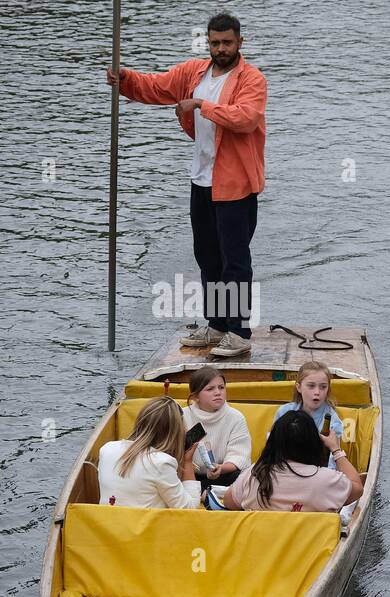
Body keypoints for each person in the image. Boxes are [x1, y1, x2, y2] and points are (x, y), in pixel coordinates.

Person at [106, 12, 266, 357]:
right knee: (207, 256)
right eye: (214, 43)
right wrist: (125, 79)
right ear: (207, 42)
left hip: (236, 185)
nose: (220, 49)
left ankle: (238, 331)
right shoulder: (194, 72)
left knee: (234, 261)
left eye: (227, 43)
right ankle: (218, 325)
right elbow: (156, 87)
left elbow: (245, 117)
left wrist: (201, 105)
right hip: (202, 181)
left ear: (240, 42)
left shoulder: (252, 80)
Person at [223, 411, 362, 512]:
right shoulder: (327, 480)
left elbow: (229, 502)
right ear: (313, 443)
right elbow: (357, 488)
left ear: (273, 442)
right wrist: (335, 449)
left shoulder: (255, 474)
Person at [97, 397, 201, 509]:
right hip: (143, 525)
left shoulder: (107, 449)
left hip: (108, 523)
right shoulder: (162, 463)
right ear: (175, 432)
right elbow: (189, 509)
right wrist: (188, 462)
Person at [182, 366, 251, 490]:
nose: (218, 392)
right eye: (210, 389)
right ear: (195, 397)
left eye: (221, 387)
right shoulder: (182, 416)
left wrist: (220, 468)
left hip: (223, 475)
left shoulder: (235, 417)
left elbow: (239, 455)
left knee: (242, 477)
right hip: (187, 474)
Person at [273, 361, 345, 470]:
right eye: (311, 386)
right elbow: (273, 446)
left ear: (328, 389)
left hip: (316, 473)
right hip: (284, 470)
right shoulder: (284, 412)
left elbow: (332, 462)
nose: (317, 392)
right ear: (299, 387)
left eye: (323, 387)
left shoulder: (332, 422)